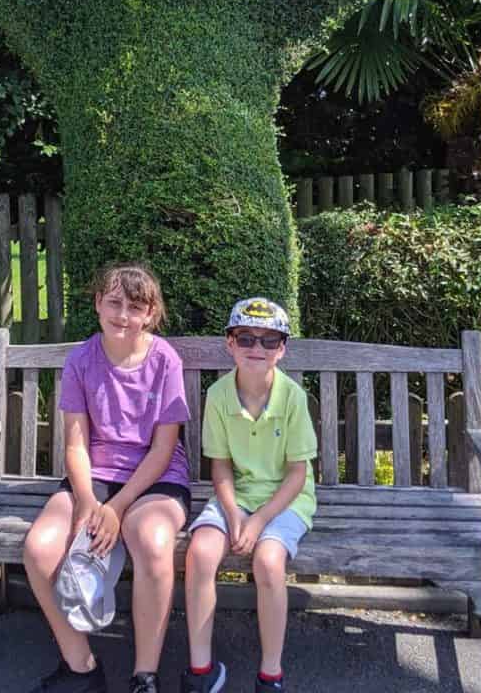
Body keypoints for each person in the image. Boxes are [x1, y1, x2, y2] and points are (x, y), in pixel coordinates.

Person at [21, 262, 192, 693]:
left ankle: (145, 676)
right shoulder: (81, 360)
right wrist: (86, 503)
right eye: (114, 302)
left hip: (156, 477)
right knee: (39, 550)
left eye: (136, 307)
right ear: (97, 304)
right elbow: (76, 445)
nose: (123, 315)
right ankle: (82, 667)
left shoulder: (165, 360)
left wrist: (116, 508)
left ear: (151, 314)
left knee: (152, 544)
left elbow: (163, 449)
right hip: (94, 474)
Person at [183, 297, 317, 693]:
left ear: (282, 349)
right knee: (201, 553)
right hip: (236, 493)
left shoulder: (292, 396)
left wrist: (258, 521)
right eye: (246, 338)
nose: (257, 348)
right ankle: (200, 671)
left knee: (269, 561)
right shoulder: (219, 395)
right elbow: (220, 466)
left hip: (286, 498)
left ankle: (270, 674)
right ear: (230, 343)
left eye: (269, 340)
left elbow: (298, 474)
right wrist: (235, 514)